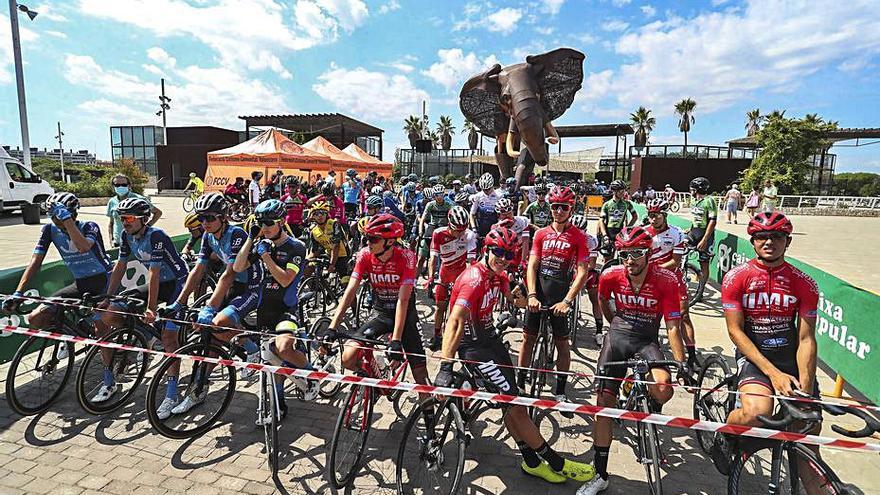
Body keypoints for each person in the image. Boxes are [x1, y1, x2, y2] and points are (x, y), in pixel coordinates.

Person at [436, 225, 595, 484]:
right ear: (486, 249)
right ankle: (556, 462)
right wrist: (445, 366)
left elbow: (514, 299)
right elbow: (454, 322)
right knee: (516, 406)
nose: (503, 258)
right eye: (498, 251)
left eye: (509, 254)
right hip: (472, 347)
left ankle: (531, 461)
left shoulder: (498, 276)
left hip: (491, 341)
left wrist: (529, 301)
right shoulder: (473, 279)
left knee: (513, 401)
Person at [576, 226, 686, 495]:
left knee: (663, 388)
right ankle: (600, 475)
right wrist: (614, 325)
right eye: (624, 254)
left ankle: (648, 404)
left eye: (636, 253)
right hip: (618, 337)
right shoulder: (610, 275)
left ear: (648, 253)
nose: (630, 260)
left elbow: (673, 326)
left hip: (647, 340)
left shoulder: (666, 279)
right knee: (603, 406)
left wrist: (681, 363)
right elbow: (603, 303)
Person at [721, 212, 821, 482]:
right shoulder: (736, 278)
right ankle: (725, 432)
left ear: (787, 242)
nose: (769, 242)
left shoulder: (804, 283)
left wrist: (807, 390)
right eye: (761, 236)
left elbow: (806, 339)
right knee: (757, 413)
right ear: (752, 241)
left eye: (776, 236)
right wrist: (772, 373)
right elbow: (735, 331)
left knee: (807, 439)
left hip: (790, 356)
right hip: (755, 357)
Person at [164, 193, 265, 416]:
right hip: (230, 287)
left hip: (250, 287)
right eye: (201, 218)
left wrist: (210, 307)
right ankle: (198, 390)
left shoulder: (236, 233)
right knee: (209, 337)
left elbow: (228, 274)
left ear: (223, 217)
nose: (204, 223)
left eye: (209, 218)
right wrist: (179, 303)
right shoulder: (208, 237)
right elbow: (198, 271)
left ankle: (252, 349)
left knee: (219, 321)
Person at [325, 213, 430, 402]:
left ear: (389, 242)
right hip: (381, 312)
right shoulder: (365, 255)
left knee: (420, 375)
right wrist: (332, 327)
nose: (368, 243)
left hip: (405, 315)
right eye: (366, 238)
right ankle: (375, 375)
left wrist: (396, 341)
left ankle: (430, 422)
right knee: (348, 358)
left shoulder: (406, 257)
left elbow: (403, 301)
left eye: (373, 239)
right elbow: (350, 292)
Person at [96, 197, 188, 405]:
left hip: (176, 283)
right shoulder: (126, 235)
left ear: (143, 219)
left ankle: (172, 393)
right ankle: (144, 335)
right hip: (157, 283)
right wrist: (107, 297)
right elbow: (119, 267)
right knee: (111, 312)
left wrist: (151, 308)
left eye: (129, 218)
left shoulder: (156, 236)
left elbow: (154, 273)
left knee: (169, 339)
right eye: (121, 218)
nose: (124, 222)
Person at [234, 199, 317, 423]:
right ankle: (279, 406)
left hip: (286, 308)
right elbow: (238, 267)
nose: (265, 227)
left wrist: (266, 256)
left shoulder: (296, 247)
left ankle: (312, 376)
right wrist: (251, 238)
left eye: (269, 222)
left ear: (281, 222)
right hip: (264, 309)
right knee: (271, 361)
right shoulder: (262, 244)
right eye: (261, 222)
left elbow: (284, 280)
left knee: (283, 348)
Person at [518, 186, 590, 409]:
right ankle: (520, 381)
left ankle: (560, 389)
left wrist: (568, 301)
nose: (558, 211)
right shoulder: (540, 234)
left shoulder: (578, 237)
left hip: (560, 296)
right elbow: (532, 266)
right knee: (528, 338)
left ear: (571, 209)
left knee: (562, 343)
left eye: (563, 207)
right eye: (554, 207)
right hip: (538, 293)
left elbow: (582, 272)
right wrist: (531, 294)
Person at [2, 192, 110, 336]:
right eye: (53, 216)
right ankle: (71, 334)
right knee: (35, 318)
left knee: (101, 333)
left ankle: (111, 356)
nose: (56, 221)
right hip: (81, 282)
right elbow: (35, 262)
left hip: (105, 280)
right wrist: (18, 293)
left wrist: (66, 220)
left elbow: (83, 246)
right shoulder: (49, 230)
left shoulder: (90, 226)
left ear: (73, 214)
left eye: (58, 216)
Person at [645, 199, 699, 366]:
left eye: (657, 215)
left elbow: (675, 262)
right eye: (650, 215)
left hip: (672, 279)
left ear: (665, 215)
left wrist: (654, 269)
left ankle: (692, 355)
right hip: (651, 281)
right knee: (650, 317)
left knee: (684, 316)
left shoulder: (676, 233)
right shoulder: (644, 233)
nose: (653, 219)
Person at [425, 206, 477, 350]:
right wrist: (430, 278)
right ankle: (437, 336)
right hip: (445, 274)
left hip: (462, 275)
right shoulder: (438, 233)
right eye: (457, 230)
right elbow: (433, 258)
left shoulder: (469, 235)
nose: (461, 233)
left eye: (463, 230)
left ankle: (460, 337)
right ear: (449, 224)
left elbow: (470, 263)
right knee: (440, 307)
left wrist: (467, 283)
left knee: (460, 311)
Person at [569, 214, 602, 344]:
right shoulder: (565, 237)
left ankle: (599, 330)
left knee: (595, 294)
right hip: (570, 268)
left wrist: (580, 277)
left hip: (586, 269)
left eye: (579, 231)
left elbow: (592, 265)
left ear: (585, 231)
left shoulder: (591, 241)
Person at [106, 174, 162, 248]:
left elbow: (158, 213)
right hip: (118, 243)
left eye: (123, 184)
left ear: (129, 186)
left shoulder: (139, 199)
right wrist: (111, 240)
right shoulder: (112, 201)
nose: (120, 187)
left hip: (136, 242)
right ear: (113, 187)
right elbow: (111, 223)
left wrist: (147, 227)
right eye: (117, 185)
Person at [305, 201, 350, 285]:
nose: (319, 216)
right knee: (308, 267)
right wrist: (305, 261)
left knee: (345, 283)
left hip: (343, 255)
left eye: (322, 213)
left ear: (327, 214)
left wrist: (332, 265)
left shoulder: (334, 224)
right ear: (313, 217)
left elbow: (335, 247)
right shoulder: (314, 231)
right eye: (316, 214)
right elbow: (315, 251)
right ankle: (314, 289)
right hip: (328, 255)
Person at [687, 176, 716, 302]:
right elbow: (695, 219)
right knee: (681, 252)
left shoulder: (709, 201)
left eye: (692, 189)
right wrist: (690, 229)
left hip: (706, 234)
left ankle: (701, 291)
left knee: (703, 263)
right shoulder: (694, 201)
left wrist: (704, 239)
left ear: (697, 189)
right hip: (694, 232)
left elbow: (712, 221)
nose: (690, 191)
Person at [418, 184, 452, 277]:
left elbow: (452, 219)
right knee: (422, 255)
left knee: (443, 254)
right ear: (434, 196)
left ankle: (440, 272)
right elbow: (423, 218)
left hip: (444, 228)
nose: (439, 197)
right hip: (432, 228)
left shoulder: (449, 205)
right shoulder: (430, 205)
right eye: (437, 195)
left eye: (441, 195)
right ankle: (415, 280)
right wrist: (420, 230)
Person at [597, 180, 637, 257]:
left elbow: (635, 217)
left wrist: (627, 228)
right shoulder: (607, 204)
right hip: (608, 232)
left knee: (622, 257)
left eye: (624, 190)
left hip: (620, 232)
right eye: (620, 191)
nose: (623, 193)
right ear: (614, 191)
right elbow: (601, 220)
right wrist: (604, 235)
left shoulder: (627, 204)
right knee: (608, 258)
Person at [470, 173, 501, 247]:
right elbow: (472, 214)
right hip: (481, 228)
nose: (486, 191)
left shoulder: (499, 196)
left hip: (494, 226)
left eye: (488, 189)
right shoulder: (478, 196)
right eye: (484, 189)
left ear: (492, 186)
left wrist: (499, 227)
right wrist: (474, 229)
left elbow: (501, 215)